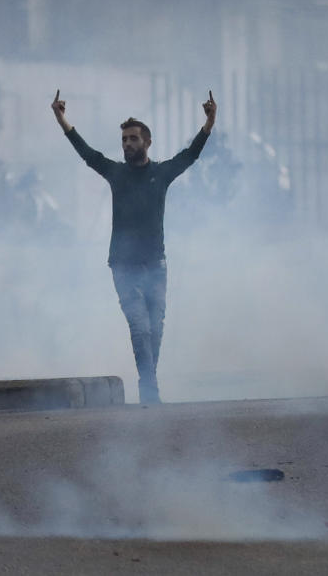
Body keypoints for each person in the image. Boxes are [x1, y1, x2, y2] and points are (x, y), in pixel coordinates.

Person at [51, 89, 217, 404]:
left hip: (156, 265)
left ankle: (149, 382)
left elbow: (190, 155)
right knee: (140, 327)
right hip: (123, 266)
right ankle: (149, 389)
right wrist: (62, 119)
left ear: (147, 143)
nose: (127, 144)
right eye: (124, 139)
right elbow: (87, 154)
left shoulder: (161, 173)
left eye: (133, 139)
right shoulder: (116, 173)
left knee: (155, 328)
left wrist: (208, 124)